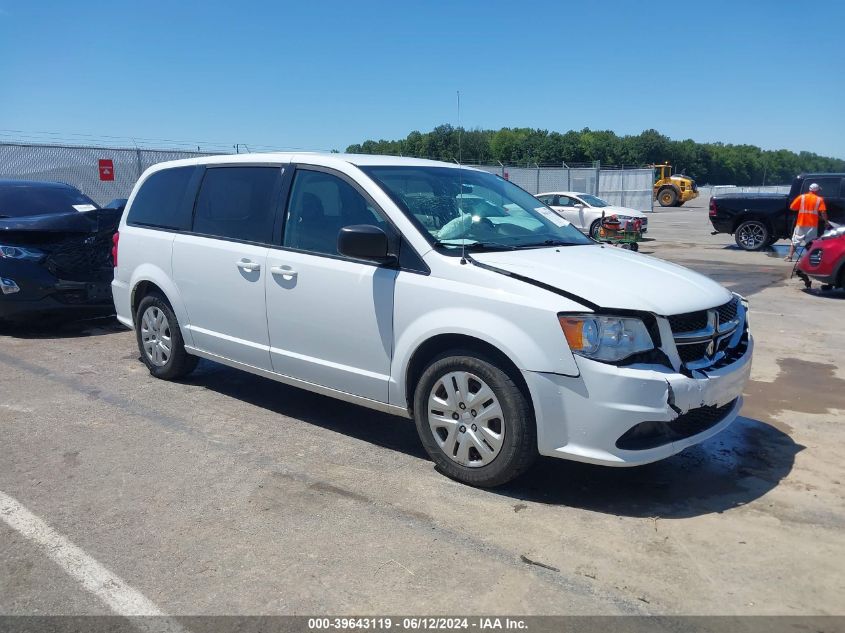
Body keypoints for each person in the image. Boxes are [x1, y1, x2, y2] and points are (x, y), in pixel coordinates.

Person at [785, 183, 829, 262]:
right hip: (812, 225)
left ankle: (789, 257)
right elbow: (823, 212)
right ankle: (809, 259)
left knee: (795, 240)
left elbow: (792, 207)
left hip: (801, 223)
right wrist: (826, 221)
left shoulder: (802, 197)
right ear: (817, 190)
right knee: (810, 242)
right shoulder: (819, 199)